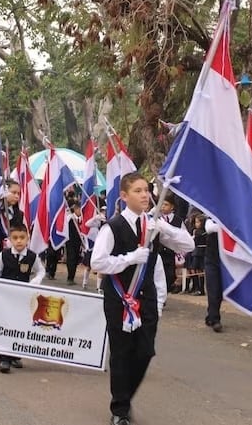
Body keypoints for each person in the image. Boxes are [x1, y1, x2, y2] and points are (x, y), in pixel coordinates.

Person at [91, 173, 194, 425]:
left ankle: (126, 394)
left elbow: (188, 245)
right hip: (118, 297)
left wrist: (164, 227)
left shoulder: (153, 224)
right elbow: (97, 262)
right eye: (137, 191)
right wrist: (128, 259)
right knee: (121, 353)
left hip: (146, 298)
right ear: (124, 196)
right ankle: (120, 409)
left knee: (145, 351)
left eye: (146, 190)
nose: (145, 195)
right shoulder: (112, 226)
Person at [0, 223, 45, 373]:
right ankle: (3, 359)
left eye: (22, 238)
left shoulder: (32, 256)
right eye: (15, 238)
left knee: (19, 326)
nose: (19, 241)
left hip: (22, 297)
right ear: (10, 239)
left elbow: (41, 271)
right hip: (5, 297)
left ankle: (15, 355)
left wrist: (36, 280)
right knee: (5, 325)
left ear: (27, 238)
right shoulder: (3, 255)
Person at [64, 202, 85, 285]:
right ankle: (70, 278)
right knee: (71, 259)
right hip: (70, 241)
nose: (80, 211)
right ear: (76, 209)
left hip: (78, 242)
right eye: (79, 209)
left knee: (76, 259)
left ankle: (72, 276)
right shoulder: (70, 218)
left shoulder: (81, 219)